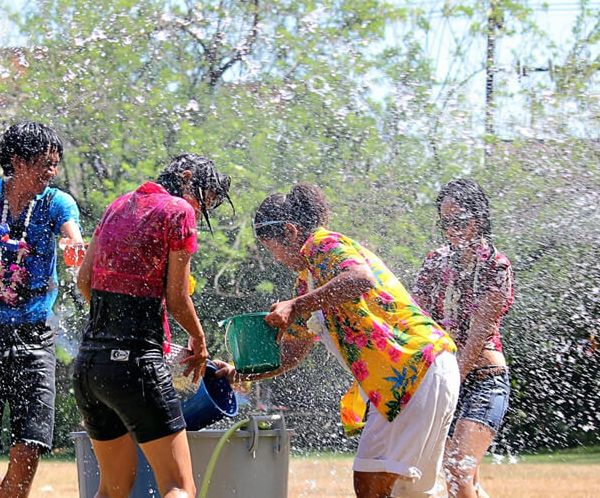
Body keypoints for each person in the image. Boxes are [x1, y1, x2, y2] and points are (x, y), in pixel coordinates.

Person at [214, 183, 459, 498]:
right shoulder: (306, 284)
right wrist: (239, 371)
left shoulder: (324, 244)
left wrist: (295, 307)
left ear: (290, 232)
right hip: (419, 372)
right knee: (407, 492)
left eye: (270, 247)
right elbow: (291, 353)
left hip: (414, 368)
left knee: (371, 485)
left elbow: (360, 279)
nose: (275, 259)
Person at [72, 154, 232, 498]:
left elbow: (84, 280)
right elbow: (176, 299)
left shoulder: (117, 205)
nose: (200, 209)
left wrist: (116, 324)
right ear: (186, 177)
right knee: (178, 486)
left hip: (89, 366)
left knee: (113, 489)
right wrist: (199, 342)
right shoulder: (177, 210)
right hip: (136, 366)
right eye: (203, 198)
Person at [0, 122, 82, 498]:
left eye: (55, 164)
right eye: (44, 163)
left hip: (35, 334)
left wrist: (78, 255)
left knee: (30, 442)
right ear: (17, 161)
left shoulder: (56, 202)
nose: (51, 172)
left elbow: (73, 240)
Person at [413, 179, 514, 498]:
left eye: (459, 221)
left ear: (480, 219)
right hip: (444, 378)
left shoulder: (496, 266)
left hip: (484, 381)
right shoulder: (435, 261)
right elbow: (413, 317)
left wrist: (449, 384)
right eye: (445, 223)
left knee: (457, 470)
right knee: (466, 481)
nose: (452, 230)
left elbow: (476, 337)